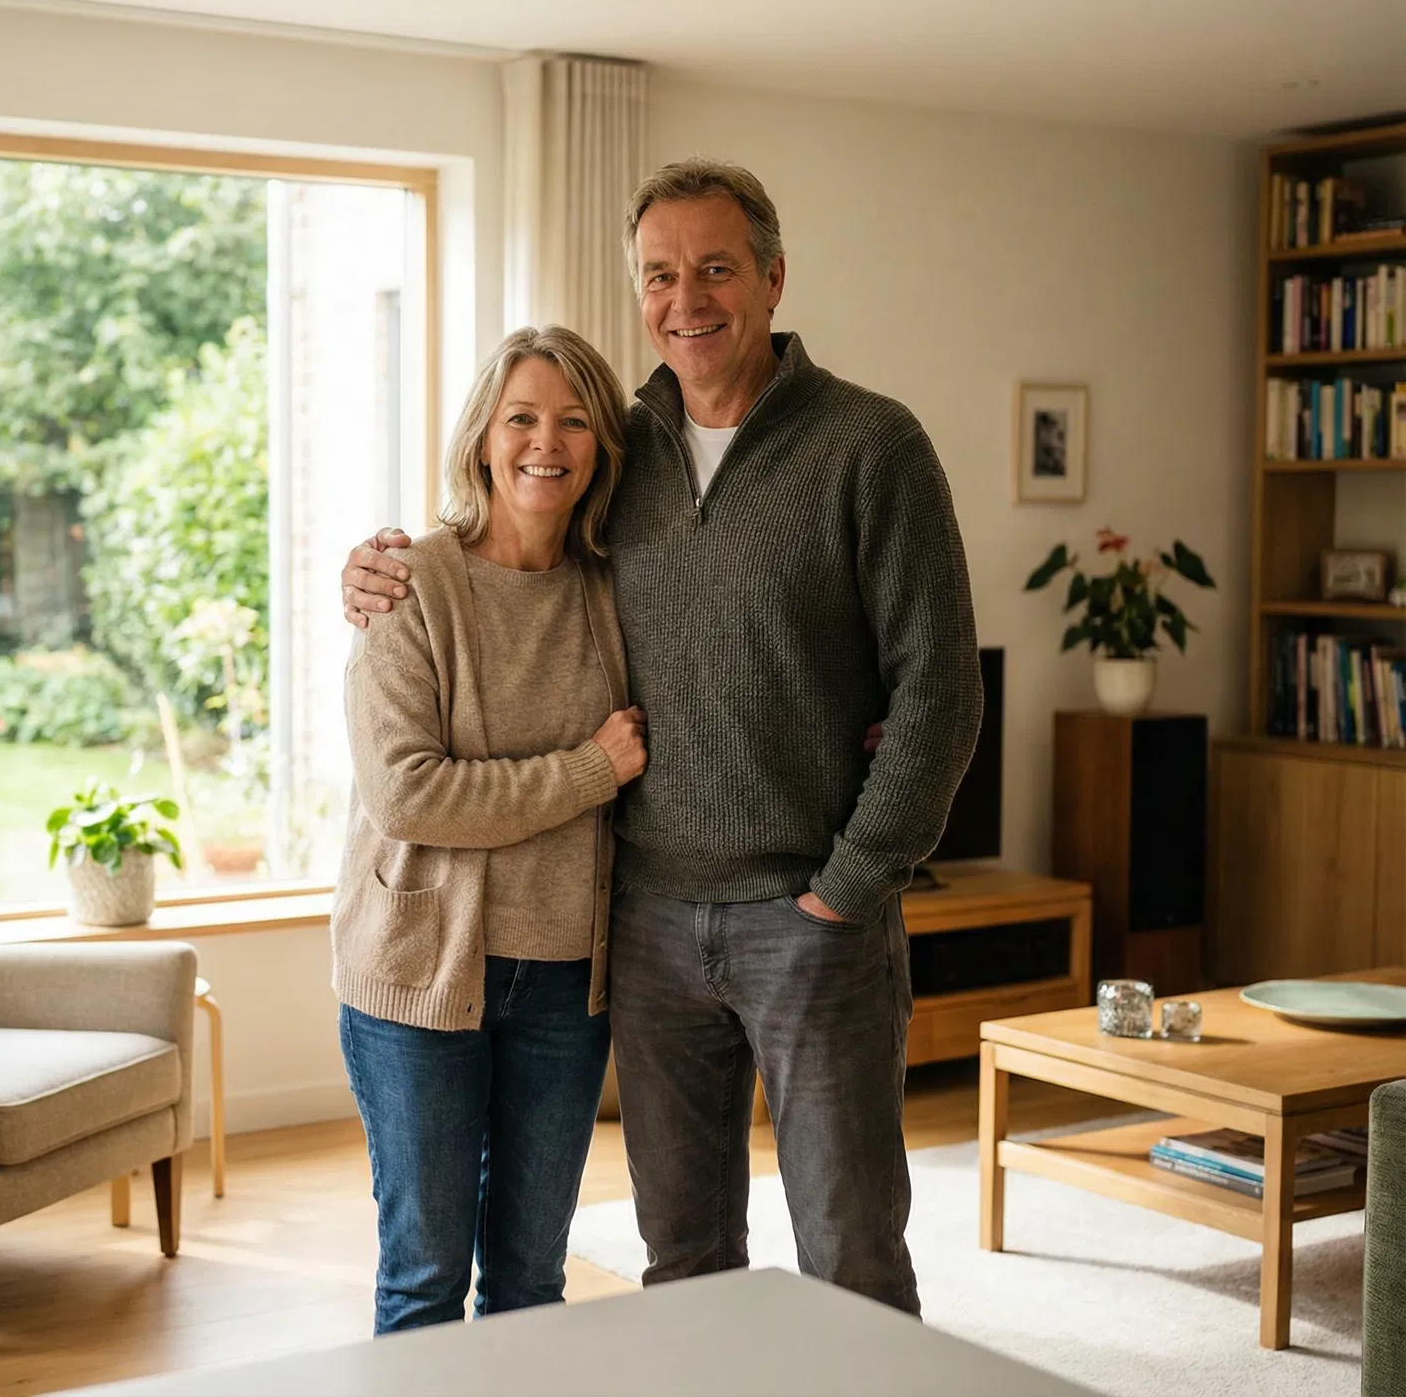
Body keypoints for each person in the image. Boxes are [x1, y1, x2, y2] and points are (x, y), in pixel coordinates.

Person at [342, 159, 982, 1315]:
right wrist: (376, 566)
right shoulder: (621, 455)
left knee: (849, 1252)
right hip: (644, 928)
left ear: (774, 278)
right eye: (659, 275)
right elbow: (510, 535)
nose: (686, 299)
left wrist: (850, 886)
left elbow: (939, 689)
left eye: (716, 268)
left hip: (810, 919)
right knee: (681, 1261)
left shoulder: (870, 445)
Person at [334, 324, 648, 1335]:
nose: (545, 443)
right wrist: (588, 770)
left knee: (530, 1282)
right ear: (481, 437)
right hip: (419, 978)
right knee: (423, 1280)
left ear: (601, 448)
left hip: (565, 984)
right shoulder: (409, 585)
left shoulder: (614, 590)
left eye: (574, 421)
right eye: (521, 418)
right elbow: (408, 796)